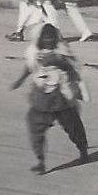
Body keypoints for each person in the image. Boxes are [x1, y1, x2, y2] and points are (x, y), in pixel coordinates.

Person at [7, 24, 90, 174]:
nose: (49, 40)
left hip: (61, 98)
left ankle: (83, 150)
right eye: (46, 38)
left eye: (52, 37)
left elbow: (72, 69)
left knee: (73, 127)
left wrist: (57, 62)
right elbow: (30, 67)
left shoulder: (62, 52)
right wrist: (19, 80)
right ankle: (40, 160)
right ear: (40, 39)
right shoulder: (35, 53)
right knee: (36, 128)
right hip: (42, 98)